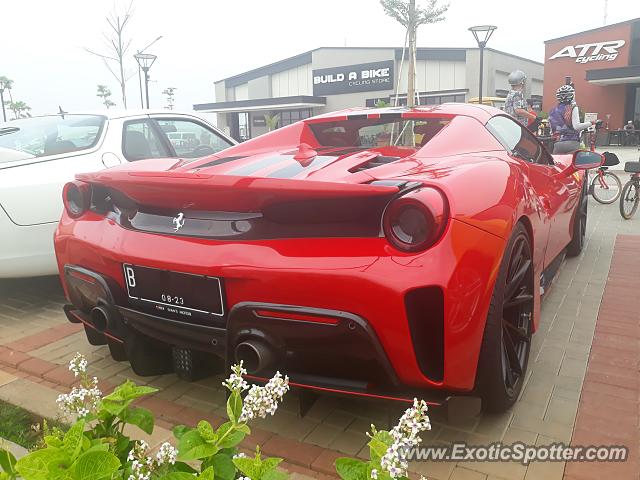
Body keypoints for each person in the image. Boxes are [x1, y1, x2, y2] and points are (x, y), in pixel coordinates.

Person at [548, 84, 593, 154]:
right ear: (572, 95)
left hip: (557, 144)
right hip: (572, 142)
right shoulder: (572, 108)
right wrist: (591, 123)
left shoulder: (553, 110)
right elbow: (576, 126)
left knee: (558, 164)